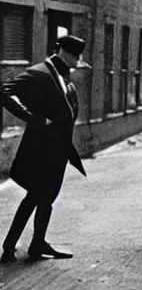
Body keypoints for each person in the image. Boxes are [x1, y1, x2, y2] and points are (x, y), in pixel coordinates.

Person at [0, 35, 87, 264]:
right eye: (76, 56)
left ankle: (37, 243)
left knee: (46, 197)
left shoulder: (64, 76)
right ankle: (10, 246)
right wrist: (33, 118)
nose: (79, 60)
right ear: (65, 53)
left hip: (58, 149)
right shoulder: (40, 72)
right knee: (36, 196)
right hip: (41, 150)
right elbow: (5, 91)